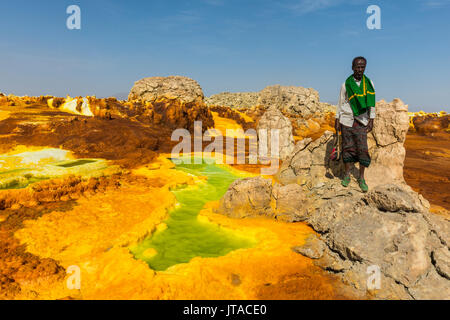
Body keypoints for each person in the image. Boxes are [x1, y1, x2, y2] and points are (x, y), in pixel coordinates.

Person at [334, 56, 376, 193]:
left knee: (362, 149)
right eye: (357, 67)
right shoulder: (346, 84)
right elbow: (340, 103)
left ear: (365, 67)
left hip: (361, 120)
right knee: (347, 148)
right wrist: (337, 119)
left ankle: (361, 178)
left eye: (362, 67)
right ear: (352, 67)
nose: (359, 69)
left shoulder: (369, 84)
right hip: (346, 120)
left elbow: (372, 104)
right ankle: (347, 175)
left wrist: (372, 119)